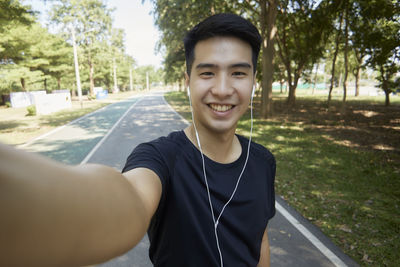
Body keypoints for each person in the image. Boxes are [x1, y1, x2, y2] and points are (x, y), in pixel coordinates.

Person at [0, 13, 275, 267]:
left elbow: (259, 239)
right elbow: (130, 200)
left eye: (238, 73)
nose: (223, 89)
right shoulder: (160, 158)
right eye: (207, 73)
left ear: (253, 81)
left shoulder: (263, 161)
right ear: (188, 80)